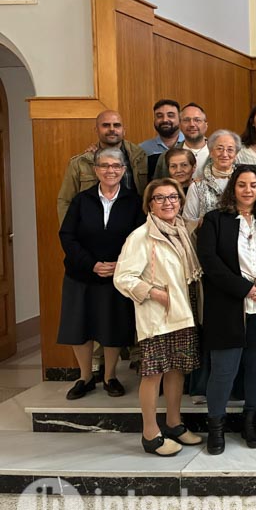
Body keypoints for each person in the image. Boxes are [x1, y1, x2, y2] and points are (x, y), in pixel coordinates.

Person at [196, 166, 256, 454]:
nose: (248, 190)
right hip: (227, 306)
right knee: (223, 370)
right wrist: (244, 289)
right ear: (232, 189)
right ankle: (216, 426)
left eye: (253, 185)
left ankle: (251, 420)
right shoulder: (215, 220)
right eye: (241, 185)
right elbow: (210, 263)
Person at [114, 178, 203, 456]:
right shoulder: (141, 236)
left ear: (180, 201)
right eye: (160, 198)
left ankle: (174, 424)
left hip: (183, 310)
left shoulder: (183, 231)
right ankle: (150, 433)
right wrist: (155, 293)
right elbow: (123, 277)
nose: (168, 203)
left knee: (177, 368)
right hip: (158, 313)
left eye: (173, 197)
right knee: (154, 373)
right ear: (149, 204)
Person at [58, 148, 144, 399]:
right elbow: (67, 236)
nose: (110, 171)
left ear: (123, 170)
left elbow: (139, 237)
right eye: (105, 166)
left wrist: (120, 264)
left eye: (116, 166)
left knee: (112, 326)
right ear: (96, 170)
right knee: (79, 325)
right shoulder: (81, 200)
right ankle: (85, 377)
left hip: (116, 275)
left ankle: (110, 376)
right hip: (81, 273)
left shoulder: (133, 201)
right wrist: (90, 264)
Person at [57, 110, 148, 224]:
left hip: (134, 225)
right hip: (93, 228)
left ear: (124, 130)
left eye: (116, 125)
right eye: (105, 125)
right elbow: (65, 200)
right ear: (96, 130)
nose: (112, 129)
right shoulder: (81, 162)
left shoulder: (140, 157)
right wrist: (68, 233)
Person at [183, 130, 241, 224]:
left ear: (236, 155)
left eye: (230, 150)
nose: (224, 154)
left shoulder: (244, 183)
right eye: (219, 149)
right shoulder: (197, 186)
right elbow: (187, 221)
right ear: (211, 152)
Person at [140, 99, 185, 177]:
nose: (165, 120)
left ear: (180, 119)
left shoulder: (190, 144)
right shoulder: (143, 149)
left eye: (170, 115)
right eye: (159, 116)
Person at [179, 103, 210, 176]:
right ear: (180, 125)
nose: (192, 124)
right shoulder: (168, 156)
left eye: (197, 120)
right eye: (186, 120)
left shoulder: (222, 154)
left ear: (206, 125)